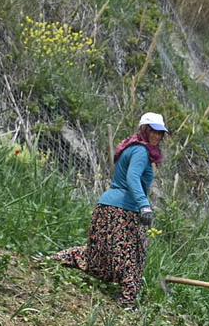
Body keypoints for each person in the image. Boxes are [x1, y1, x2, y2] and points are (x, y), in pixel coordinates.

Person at [53, 112, 167, 308]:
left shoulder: (132, 148)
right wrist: (144, 205)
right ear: (145, 130)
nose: (157, 136)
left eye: (161, 133)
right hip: (123, 210)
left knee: (99, 256)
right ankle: (127, 303)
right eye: (154, 131)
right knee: (133, 256)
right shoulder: (141, 152)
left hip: (108, 206)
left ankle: (57, 259)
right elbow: (132, 178)